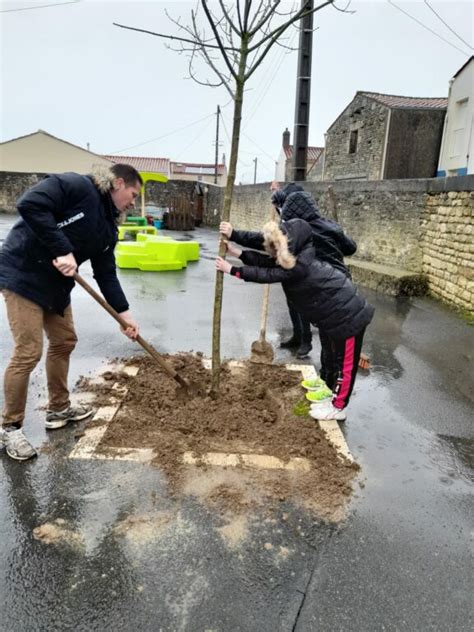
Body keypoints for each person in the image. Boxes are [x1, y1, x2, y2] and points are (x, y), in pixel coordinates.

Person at [0, 164, 141, 461]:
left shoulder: (108, 227)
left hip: (55, 287)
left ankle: (58, 408)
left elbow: (106, 273)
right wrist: (63, 249)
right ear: (118, 183)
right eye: (133, 193)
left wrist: (124, 315)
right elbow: (30, 204)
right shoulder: (77, 186)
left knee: (64, 341)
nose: (133, 201)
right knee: (28, 351)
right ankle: (10, 426)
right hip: (22, 275)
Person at [216, 218, 374, 421]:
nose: (271, 252)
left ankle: (339, 407)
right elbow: (267, 263)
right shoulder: (296, 257)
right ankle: (332, 396)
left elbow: (267, 274)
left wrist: (233, 270)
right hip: (333, 313)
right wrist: (236, 253)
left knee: (345, 364)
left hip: (348, 314)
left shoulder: (298, 267)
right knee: (335, 359)